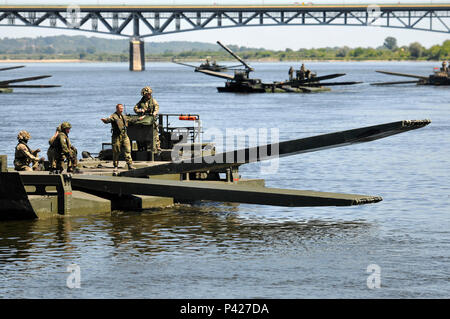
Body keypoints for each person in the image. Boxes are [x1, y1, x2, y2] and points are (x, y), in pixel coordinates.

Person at [101, 103, 144, 171]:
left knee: (127, 149)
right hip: (117, 136)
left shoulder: (123, 116)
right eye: (120, 108)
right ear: (117, 109)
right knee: (116, 151)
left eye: (122, 108)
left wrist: (138, 119)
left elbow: (130, 120)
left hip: (124, 135)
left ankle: (130, 164)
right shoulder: (114, 116)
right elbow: (109, 120)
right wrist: (105, 120)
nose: (121, 110)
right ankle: (115, 166)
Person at [134, 86, 161, 152]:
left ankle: (157, 147)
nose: (148, 95)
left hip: (151, 119)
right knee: (141, 134)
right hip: (143, 119)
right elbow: (135, 108)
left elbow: (157, 108)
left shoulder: (153, 101)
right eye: (146, 94)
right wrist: (140, 110)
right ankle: (143, 147)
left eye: (149, 94)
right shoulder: (141, 101)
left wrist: (154, 114)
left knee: (155, 134)